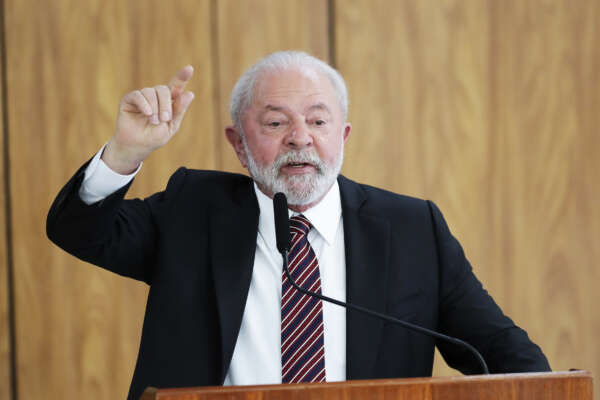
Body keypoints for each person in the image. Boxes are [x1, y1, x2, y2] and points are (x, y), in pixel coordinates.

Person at [47, 51, 550, 400]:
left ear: (343, 136)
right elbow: (78, 229)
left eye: (318, 120)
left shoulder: (414, 230)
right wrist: (126, 153)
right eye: (274, 123)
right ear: (238, 145)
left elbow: (504, 356)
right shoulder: (191, 211)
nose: (299, 139)